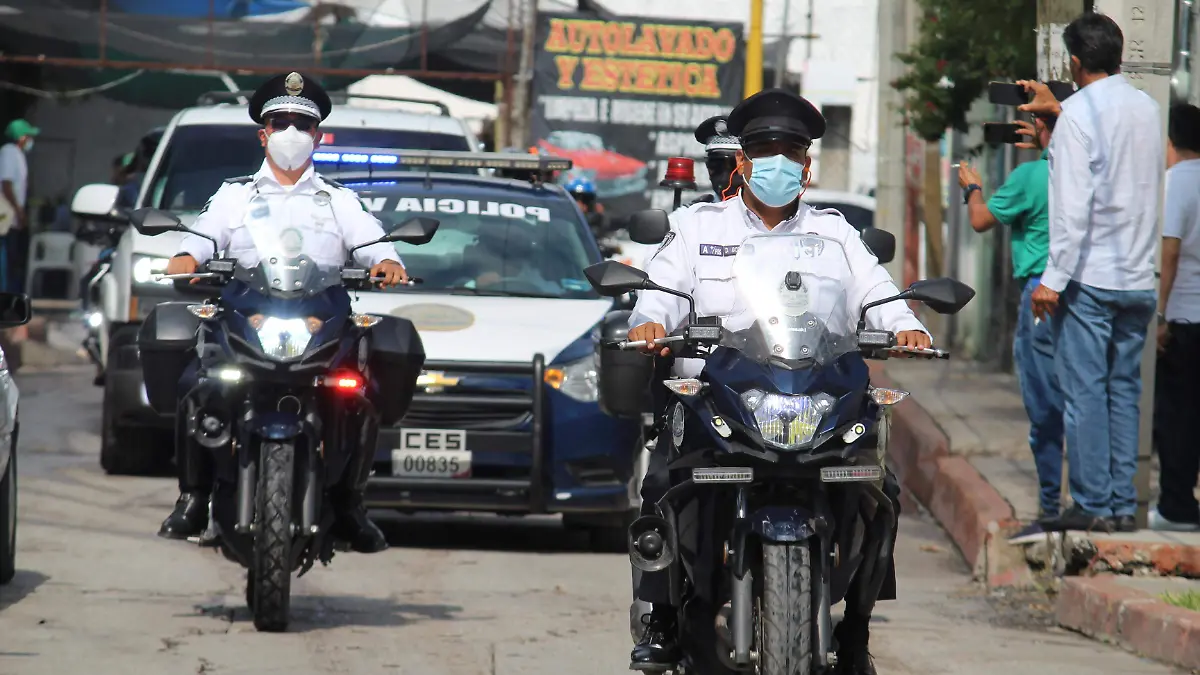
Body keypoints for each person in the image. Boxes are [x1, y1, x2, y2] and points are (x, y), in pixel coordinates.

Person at [625, 88, 930, 675]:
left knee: (881, 491)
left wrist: (906, 328)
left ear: (807, 165)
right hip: (715, 401)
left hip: (811, 396)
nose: (779, 163)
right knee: (661, 482)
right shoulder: (696, 227)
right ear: (742, 161)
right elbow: (659, 294)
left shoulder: (835, 234)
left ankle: (857, 627)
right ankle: (661, 616)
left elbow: (877, 292)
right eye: (766, 151)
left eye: (792, 152)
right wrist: (650, 324)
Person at [157, 71, 408, 553]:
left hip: (320, 322)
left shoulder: (338, 200)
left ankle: (350, 502)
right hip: (246, 319)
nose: (291, 132)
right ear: (263, 134)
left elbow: (372, 242)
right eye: (280, 123)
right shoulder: (235, 195)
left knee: (362, 394)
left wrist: (388, 262)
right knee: (197, 385)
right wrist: (187, 257)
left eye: (301, 124)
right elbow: (205, 234)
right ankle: (193, 496)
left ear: (317, 135)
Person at [1018, 11, 1162, 534]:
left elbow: (1073, 209)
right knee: (1123, 391)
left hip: (1090, 278)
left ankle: (1093, 503)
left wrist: (1051, 281)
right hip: (1138, 277)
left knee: (1084, 394)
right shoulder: (1149, 109)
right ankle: (1121, 506)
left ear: (1075, 62)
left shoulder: (1077, 115)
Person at [957, 112, 1066, 539]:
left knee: (1044, 404)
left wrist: (972, 188)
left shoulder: (1030, 176)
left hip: (1041, 291)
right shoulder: (1089, 173)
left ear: (1042, 126)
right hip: (1084, 288)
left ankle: (1051, 508)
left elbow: (980, 219)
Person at [1151, 103, 1200, 532]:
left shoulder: (1175, 183)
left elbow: (1169, 251)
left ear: (1169, 141)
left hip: (1184, 318)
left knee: (1177, 417)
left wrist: (1160, 315)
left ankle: (1177, 505)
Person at [0, 119, 38, 293]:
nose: (31, 140)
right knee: (5, 256)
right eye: (29, 136)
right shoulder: (8, 152)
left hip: (12, 217)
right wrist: (19, 210)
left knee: (13, 257)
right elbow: (6, 184)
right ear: (22, 137)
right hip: (5, 216)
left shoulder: (18, 154)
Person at [687, 114, 744, 206]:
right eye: (716, 165)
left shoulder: (766, 212)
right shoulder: (693, 212)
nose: (725, 177)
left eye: (734, 164)